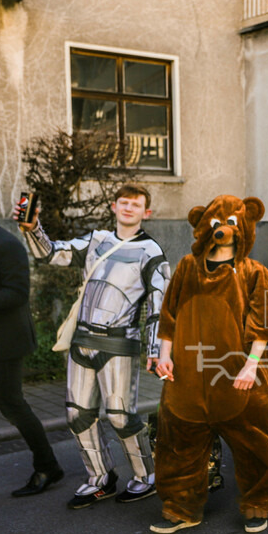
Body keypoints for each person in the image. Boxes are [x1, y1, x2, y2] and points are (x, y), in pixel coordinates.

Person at [19, 184, 169, 508]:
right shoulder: (96, 240)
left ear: (147, 212)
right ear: (114, 207)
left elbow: (160, 308)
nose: (129, 208)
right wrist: (33, 229)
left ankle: (146, 477)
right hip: (82, 340)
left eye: (136, 204)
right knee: (77, 414)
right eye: (124, 202)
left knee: (120, 417)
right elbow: (51, 253)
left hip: (119, 345)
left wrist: (157, 352)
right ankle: (100, 478)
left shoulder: (152, 253)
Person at [152, 195, 268, 534]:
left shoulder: (255, 272)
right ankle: (181, 507)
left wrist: (252, 365)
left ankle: (257, 502)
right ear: (203, 227)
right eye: (216, 224)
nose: (223, 231)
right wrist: (164, 354)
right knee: (179, 443)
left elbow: (264, 323)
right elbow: (169, 315)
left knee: (254, 440)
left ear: (244, 229)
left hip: (237, 374)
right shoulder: (186, 267)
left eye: (231, 224)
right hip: (188, 376)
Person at [0, 183, 63, 496]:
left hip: (2, 344)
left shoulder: (6, 244)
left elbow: (16, 294)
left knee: (13, 407)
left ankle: (48, 466)